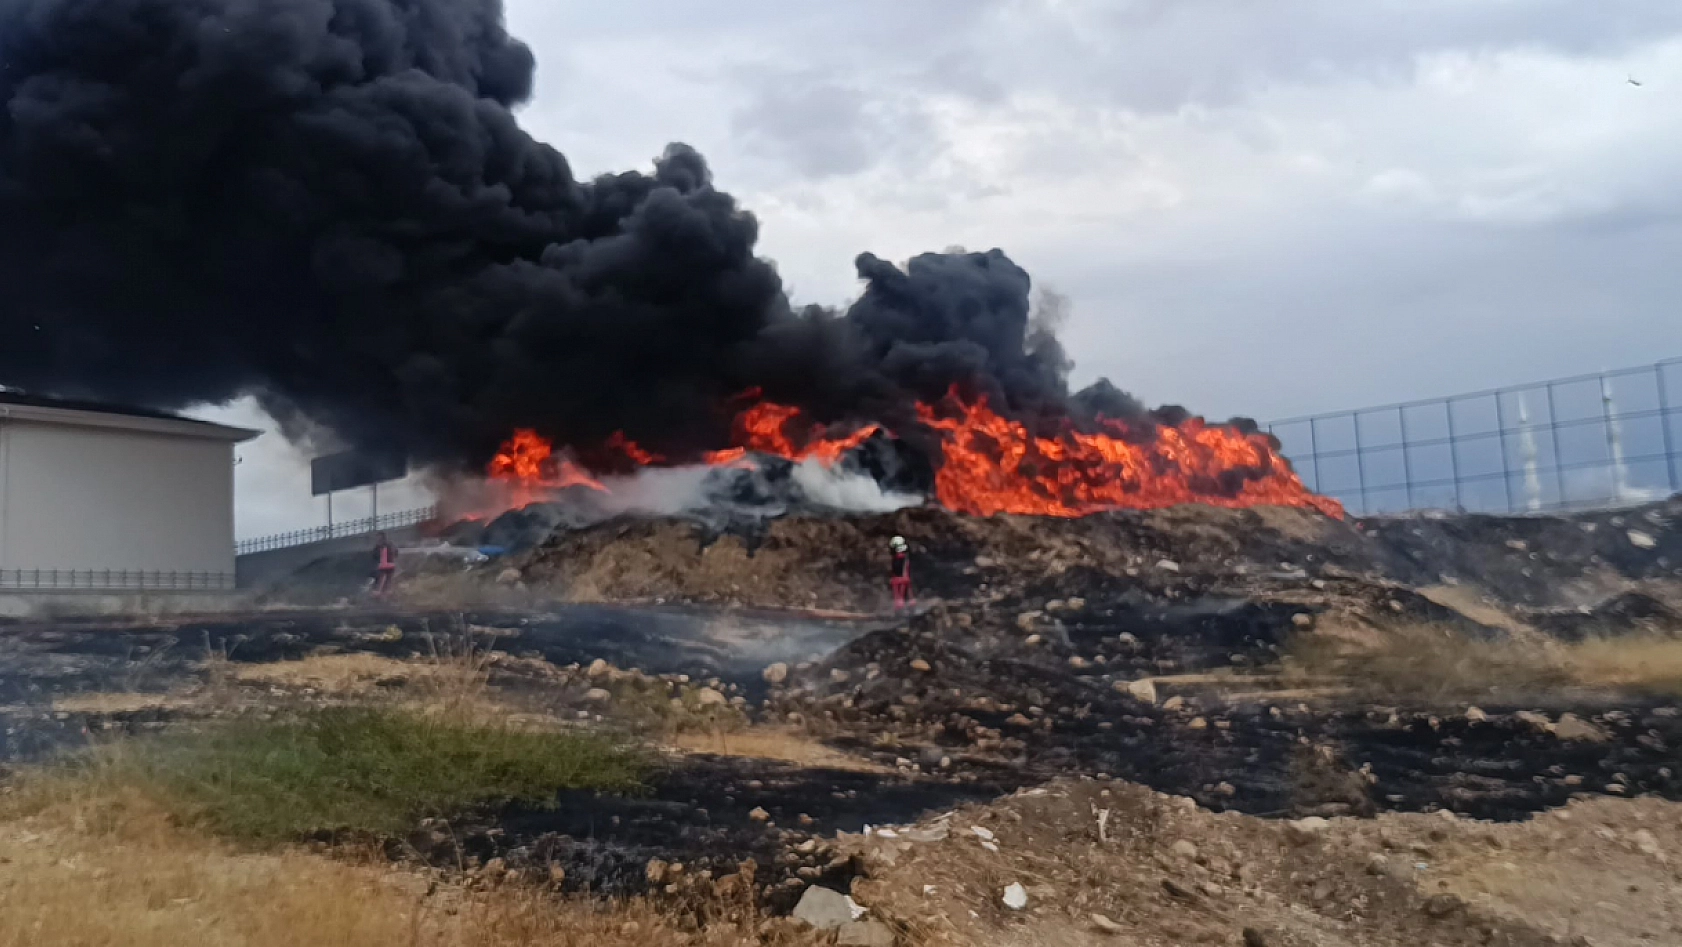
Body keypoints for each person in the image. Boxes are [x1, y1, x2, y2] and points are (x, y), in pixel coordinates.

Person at [888, 535, 913, 611]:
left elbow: (904, 575)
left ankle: (902, 602)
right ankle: (904, 601)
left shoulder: (902, 559)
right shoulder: (900, 558)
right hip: (901, 582)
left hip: (901, 583)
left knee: (899, 581)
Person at [371, 532, 398, 596]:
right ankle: (388, 591)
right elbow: (396, 552)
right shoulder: (391, 543)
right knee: (389, 578)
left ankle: (379, 591)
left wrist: (378, 559)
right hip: (391, 564)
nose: (377, 538)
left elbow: (374, 555)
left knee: (382, 578)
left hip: (383, 565)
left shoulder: (378, 545)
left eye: (377, 537)